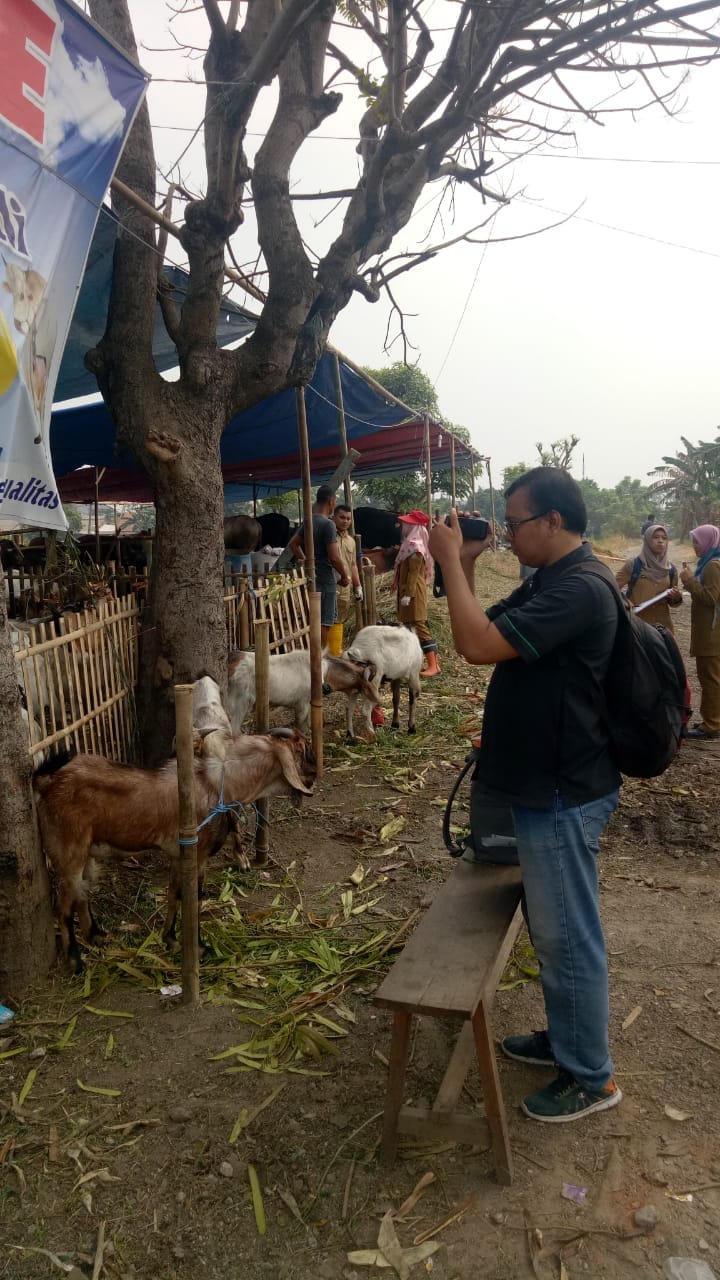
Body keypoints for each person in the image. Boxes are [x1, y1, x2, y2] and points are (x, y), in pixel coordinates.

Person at [429, 467, 623, 1123]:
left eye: (514, 523)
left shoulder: (582, 589)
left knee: (569, 936)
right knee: (554, 928)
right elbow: (484, 625)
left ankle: (591, 1078)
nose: (508, 533)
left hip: (563, 789)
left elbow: (474, 645)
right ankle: (566, 1044)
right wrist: (467, 566)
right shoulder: (553, 580)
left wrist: (451, 560)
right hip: (544, 783)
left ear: (554, 521)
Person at [287, 484, 350, 645]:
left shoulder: (309, 520)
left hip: (312, 577)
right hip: (326, 578)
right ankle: (319, 659)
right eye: (334, 501)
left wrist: (306, 561)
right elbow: (334, 558)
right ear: (331, 501)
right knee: (325, 621)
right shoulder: (328, 524)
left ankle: (315, 656)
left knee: (314, 618)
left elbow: (293, 545)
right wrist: (344, 576)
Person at [679, 524, 720, 740]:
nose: (695, 546)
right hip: (711, 632)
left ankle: (711, 725)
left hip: (711, 635)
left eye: (697, 541)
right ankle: (711, 719)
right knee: (712, 679)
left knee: (710, 680)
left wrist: (689, 581)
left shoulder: (713, 566)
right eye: (693, 541)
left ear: (708, 542)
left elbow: (710, 598)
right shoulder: (711, 562)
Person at [394, 509, 440, 677]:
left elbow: (413, 573)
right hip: (407, 591)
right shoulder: (409, 544)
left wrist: (408, 594)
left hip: (413, 592)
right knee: (408, 627)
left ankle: (434, 665)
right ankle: (411, 663)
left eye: (406, 524)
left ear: (414, 527)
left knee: (419, 625)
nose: (403, 526)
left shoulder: (415, 547)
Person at [615, 523, 683, 630]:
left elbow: (673, 604)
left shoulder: (671, 570)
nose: (660, 541)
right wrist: (625, 601)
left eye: (664, 538)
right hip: (637, 626)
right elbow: (612, 587)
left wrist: (676, 597)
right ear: (647, 540)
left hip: (663, 628)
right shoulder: (633, 565)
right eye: (655, 537)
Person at [333, 504, 363, 638]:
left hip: (345, 587)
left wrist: (358, 586)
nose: (345, 521)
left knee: (340, 619)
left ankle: (334, 652)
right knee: (326, 618)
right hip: (329, 584)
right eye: (342, 517)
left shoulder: (351, 541)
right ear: (333, 517)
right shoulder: (328, 537)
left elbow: (353, 565)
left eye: (348, 519)